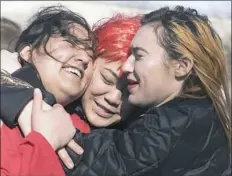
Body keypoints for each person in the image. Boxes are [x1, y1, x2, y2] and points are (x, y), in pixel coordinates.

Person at [1, 7, 142, 175]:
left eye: (130, 90)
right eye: (106, 79)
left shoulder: (117, 143)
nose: (114, 98)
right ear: (27, 52)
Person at [1, 5, 96, 176]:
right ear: (27, 52)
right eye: (71, 43)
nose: (84, 59)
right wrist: (44, 145)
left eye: (90, 56)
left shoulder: (89, 136)